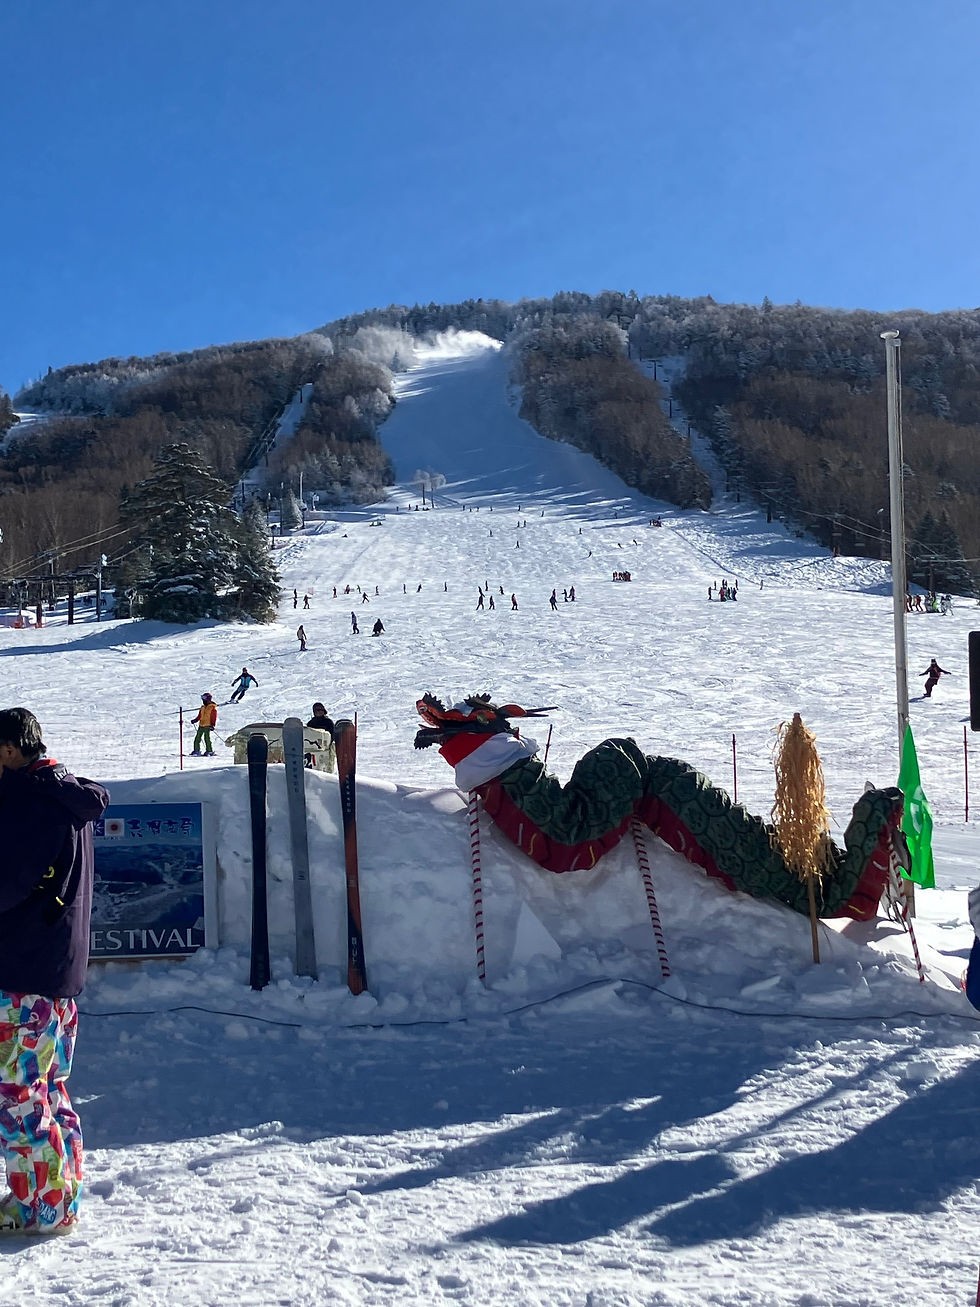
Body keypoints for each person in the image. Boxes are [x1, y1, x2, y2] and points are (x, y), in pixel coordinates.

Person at [0, 707, 109, 1235]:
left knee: (18, 1097)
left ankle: (36, 1209)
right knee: (47, 1090)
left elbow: (8, 886)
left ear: (8, 751)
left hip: (19, 976)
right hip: (56, 976)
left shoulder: (28, 806)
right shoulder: (65, 797)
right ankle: (60, 1197)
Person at [305, 702, 335, 768]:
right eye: (316, 710)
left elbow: (332, 735)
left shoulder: (328, 722)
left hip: (326, 749)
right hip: (313, 749)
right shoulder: (311, 723)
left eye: (320, 710)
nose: (318, 712)